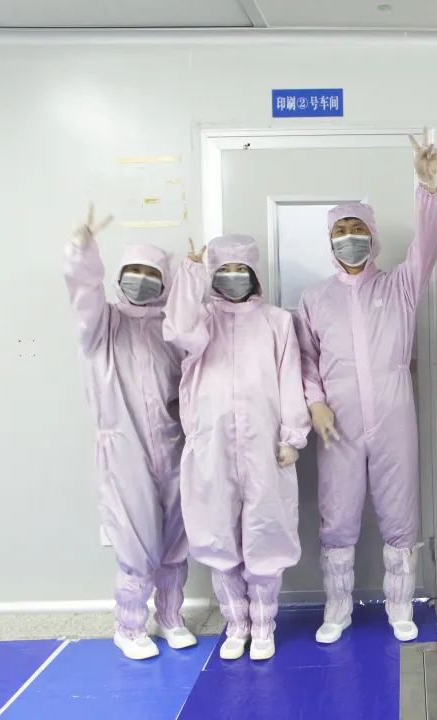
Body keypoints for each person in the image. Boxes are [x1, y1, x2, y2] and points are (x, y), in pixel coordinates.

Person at [295, 129, 437, 645]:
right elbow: (305, 359)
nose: (349, 237)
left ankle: (400, 606)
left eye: (357, 228)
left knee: (400, 511)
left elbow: (428, 246)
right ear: (330, 240)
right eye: (340, 230)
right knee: (337, 514)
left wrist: (427, 188)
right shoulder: (315, 298)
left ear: (373, 236)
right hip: (338, 423)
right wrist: (315, 403)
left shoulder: (400, 285)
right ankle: (337, 608)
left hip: (394, 415)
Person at [163, 234, 309, 661]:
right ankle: (236, 623)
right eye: (223, 270)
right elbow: (177, 329)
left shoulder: (276, 322)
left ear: (254, 274)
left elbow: (289, 377)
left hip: (265, 443)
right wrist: (190, 273)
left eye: (240, 269)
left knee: (267, 527)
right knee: (216, 528)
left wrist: (292, 435)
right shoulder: (201, 320)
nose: (232, 277)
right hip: (210, 442)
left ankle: (263, 624)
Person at [63, 204, 195, 661]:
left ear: (165, 281)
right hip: (123, 447)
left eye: (151, 273)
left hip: (172, 444)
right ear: (119, 277)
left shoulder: (169, 330)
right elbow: (83, 292)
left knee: (176, 537)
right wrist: (82, 250)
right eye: (133, 272)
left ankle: (171, 616)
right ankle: (130, 625)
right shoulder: (102, 326)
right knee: (136, 540)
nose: (141, 280)